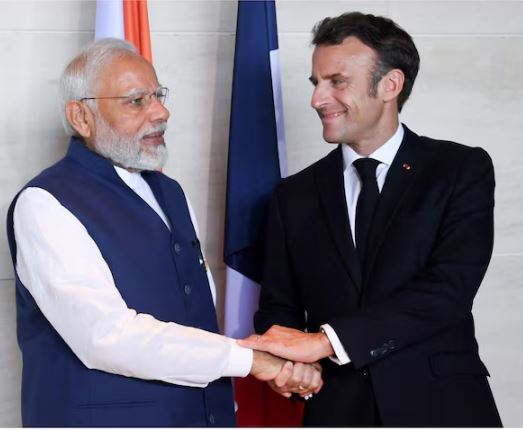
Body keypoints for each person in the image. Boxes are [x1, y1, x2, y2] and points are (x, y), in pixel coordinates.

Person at [5, 38, 322, 427]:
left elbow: (195, 315)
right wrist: (251, 360)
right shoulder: (44, 203)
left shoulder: (170, 192)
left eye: (158, 95)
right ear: (81, 117)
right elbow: (105, 336)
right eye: (136, 101)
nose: (161, 112)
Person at [240, 12, 502, 427]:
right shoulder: (293, 195)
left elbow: (448, 290)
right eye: (315, 83)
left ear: (390, 85)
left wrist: (326, 342)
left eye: (336, 82)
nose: (317, 99)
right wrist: (290, 366)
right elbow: (279, 307)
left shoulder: (459, 169)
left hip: (442, 406)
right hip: (336, 410)